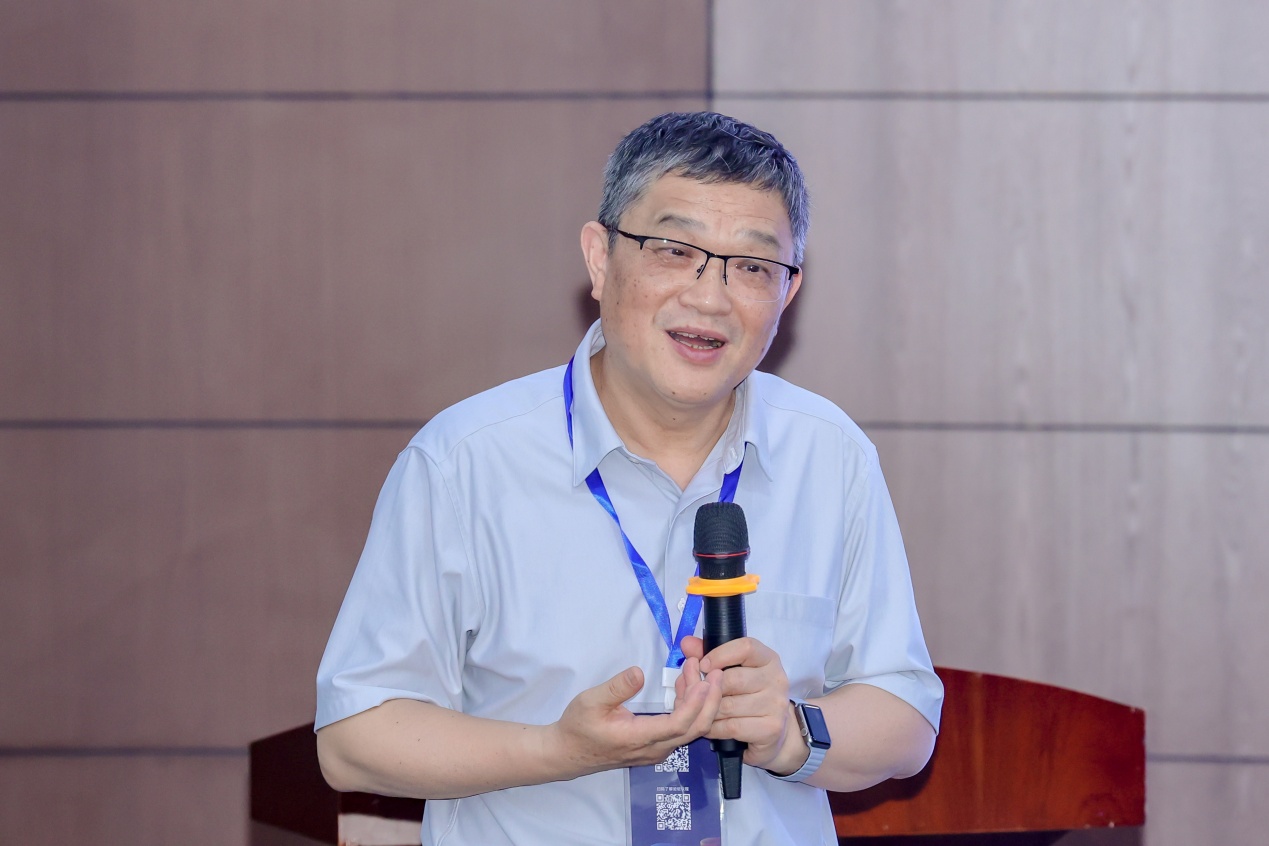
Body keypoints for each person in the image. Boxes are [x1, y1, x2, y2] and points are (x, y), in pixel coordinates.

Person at [314, 111, 943, 846]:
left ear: (788, 292)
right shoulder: (465, 461)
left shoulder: (830, 456)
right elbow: (354, 736)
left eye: (751, 266)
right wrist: (557, 750)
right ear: (599, 258)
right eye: (675, 251)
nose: (709, 298)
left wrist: (788, 733)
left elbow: (905, 717)